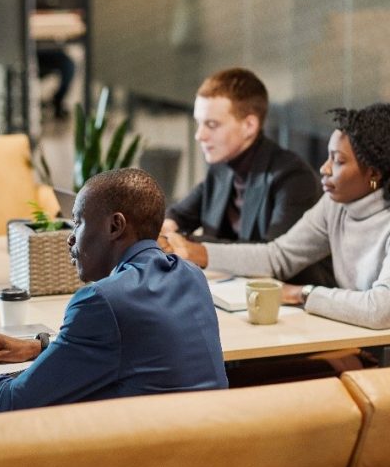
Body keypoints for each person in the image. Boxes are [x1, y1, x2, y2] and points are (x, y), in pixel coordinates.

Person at [0, 168, 228, 415]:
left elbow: (14, 403)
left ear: (115, 226)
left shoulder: (102, 301)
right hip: (204, 462)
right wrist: (41, 348)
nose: (70, 239)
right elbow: (136, 347)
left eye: (78, 222)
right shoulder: (191, 275)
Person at [161, 103, 390, 331]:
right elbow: (277, 256)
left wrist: (303, 293)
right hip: (354, 335)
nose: (324, 168)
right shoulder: (335, 205)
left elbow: (380, 310)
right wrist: (195, 253)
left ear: (374, 173)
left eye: (338, 161)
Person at [162, 67, 333, 285]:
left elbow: (271, 259)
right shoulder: (221, 168)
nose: (199, 135)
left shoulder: (293, 177)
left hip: (291, 303)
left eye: (211, 125)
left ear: (249, 125)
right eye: (199, 123)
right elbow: (179, 214)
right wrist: (167, 228)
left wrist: (190, 245)